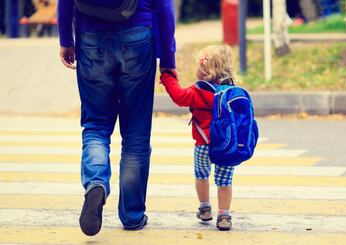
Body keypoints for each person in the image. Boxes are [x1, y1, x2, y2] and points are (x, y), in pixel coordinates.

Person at [57, 0, 176, 236]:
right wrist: (168, 60)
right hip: (138, 36)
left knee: (96, 126)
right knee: (136, 134)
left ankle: (96, 183)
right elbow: (164, 6)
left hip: (90, 37)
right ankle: (132, 215)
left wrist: (65, 40)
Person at [159, 45, 237, 231]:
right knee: (225, 181)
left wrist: (167, 77)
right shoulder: (231, 92)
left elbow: (179, 96)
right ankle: (224, 215)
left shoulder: (199, 91)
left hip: (203, 145)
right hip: (227, 146)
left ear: (203, 69)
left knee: (202, 175)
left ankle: (205, 209)